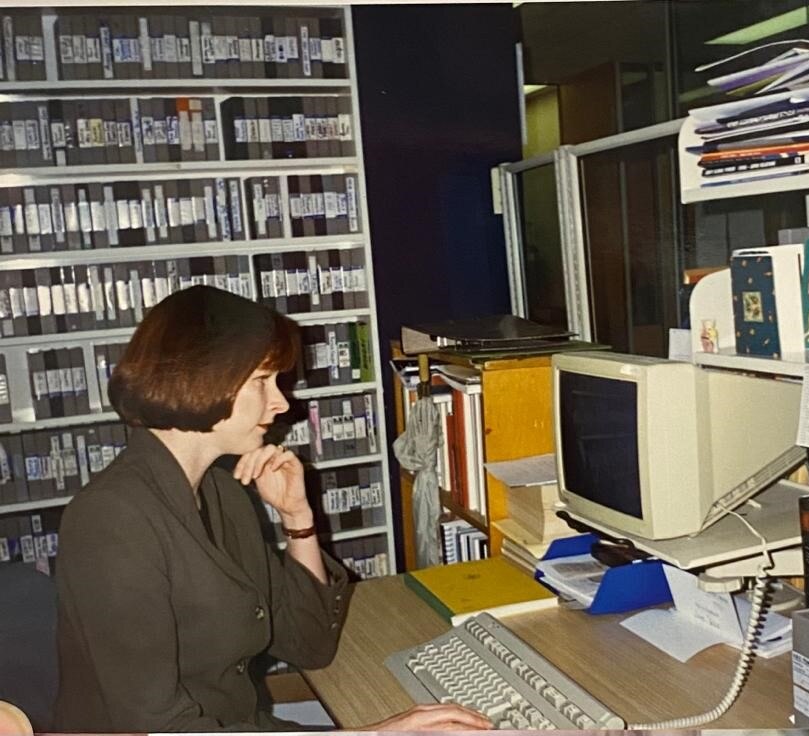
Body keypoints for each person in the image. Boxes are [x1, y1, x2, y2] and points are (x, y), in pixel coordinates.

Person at [53, 285, 491, 732]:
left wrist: (297, 520)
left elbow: (308, 644)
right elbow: (160, 728)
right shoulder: (111, 521)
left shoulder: (221, 492)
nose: (283, 403)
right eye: (263, 381)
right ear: (204, 376)